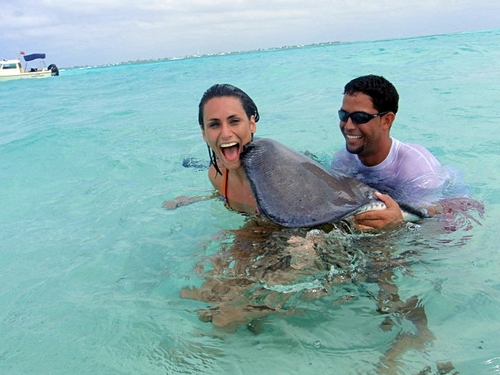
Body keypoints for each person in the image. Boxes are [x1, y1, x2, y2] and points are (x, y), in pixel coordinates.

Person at [330, 75, 450, 230]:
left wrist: (400, 219)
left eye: (360, 117)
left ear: (387, 120)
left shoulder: (416, 167)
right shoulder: (343, 159)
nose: (348, 126)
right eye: (344, 115)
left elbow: (436, 212)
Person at [198, 83, 260, 214]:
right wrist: (196, 199)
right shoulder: (217, 175)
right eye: (214, 124)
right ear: (204, 133)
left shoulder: (277, 178)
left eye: (234, 121)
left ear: (252, 124)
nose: (226, 134)